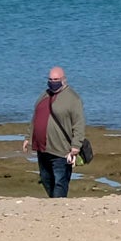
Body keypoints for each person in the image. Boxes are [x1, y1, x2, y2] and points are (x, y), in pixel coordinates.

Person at [31, 66, 88, 197]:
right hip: (43, 148)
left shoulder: (73, 98)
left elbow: (79, 123)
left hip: (62, 150)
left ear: (64, 79)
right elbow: (35, 117)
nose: (53, 82)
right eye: (50, 79)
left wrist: (76, 145)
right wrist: (28, 137)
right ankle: (53, 202)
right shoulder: (44, 95)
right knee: (46, 179)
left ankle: (58, 204)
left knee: (60, 181)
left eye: (56, 79)